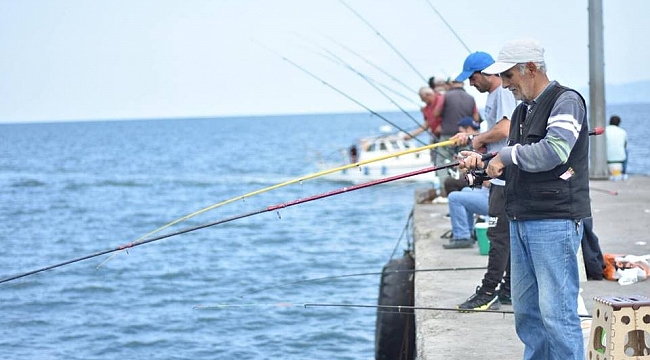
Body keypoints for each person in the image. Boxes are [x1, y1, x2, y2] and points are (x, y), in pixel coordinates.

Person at [460, 39, 591, 360]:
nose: (504, 85)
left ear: (530, 69)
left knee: (557, 314)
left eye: (508, 76)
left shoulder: (566, 101)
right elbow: (518, 164)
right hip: (521, 218)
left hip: (554, 222)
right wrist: (484, 167)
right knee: (528, 314)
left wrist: (503, 156)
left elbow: (555, 151)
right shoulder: (521, 111)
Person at [445, 52, 518, 315]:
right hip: (499, 176)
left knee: (498, 237)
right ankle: (508, 291)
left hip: (506, 176)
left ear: (485, 73)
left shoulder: (504, 94)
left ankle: (488, 293)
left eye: (473, 78)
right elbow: (496, 133)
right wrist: (474, 139)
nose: (471, 84)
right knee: (507, 236)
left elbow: (506, 130)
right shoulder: (494, 96)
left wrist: (476, 141)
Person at [432, 79, 480, 200]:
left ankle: (445, 191)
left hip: (448, 135)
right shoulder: (470, 97)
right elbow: (476, 117)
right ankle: (468, 189)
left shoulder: (445, 96)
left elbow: (436, 113)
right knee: (466, 161)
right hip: (466, 135)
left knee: (442, 162)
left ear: (450, 84)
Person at [605, 115, 627, 180]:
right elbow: (625, 145)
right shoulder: (623, 132)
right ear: (619, 123)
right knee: (626, 151)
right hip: (619, 161)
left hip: (607, 160)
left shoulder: (605, 130)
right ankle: (624, 173)